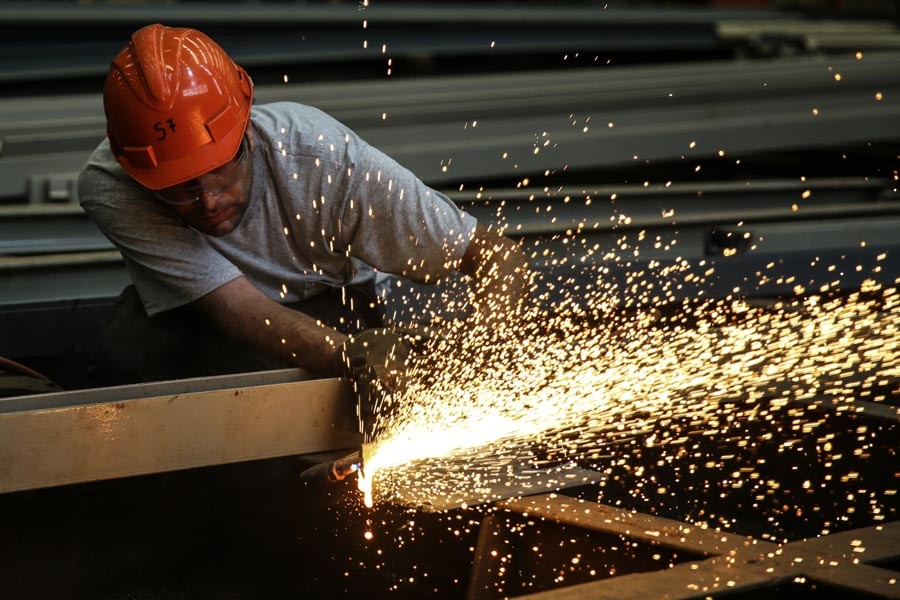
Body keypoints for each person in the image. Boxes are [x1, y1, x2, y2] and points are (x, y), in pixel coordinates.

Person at [78, 23, 530, 431]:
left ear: (246, 128)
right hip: (202, 315)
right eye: (178, 188)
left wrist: (487, 348)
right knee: (130, 352)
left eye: (220, 171)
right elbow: (236, 309)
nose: (208, 200)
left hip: (327, 301)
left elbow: (494, 255)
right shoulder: (112, 186)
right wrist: (344, 355)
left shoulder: (321, 155)